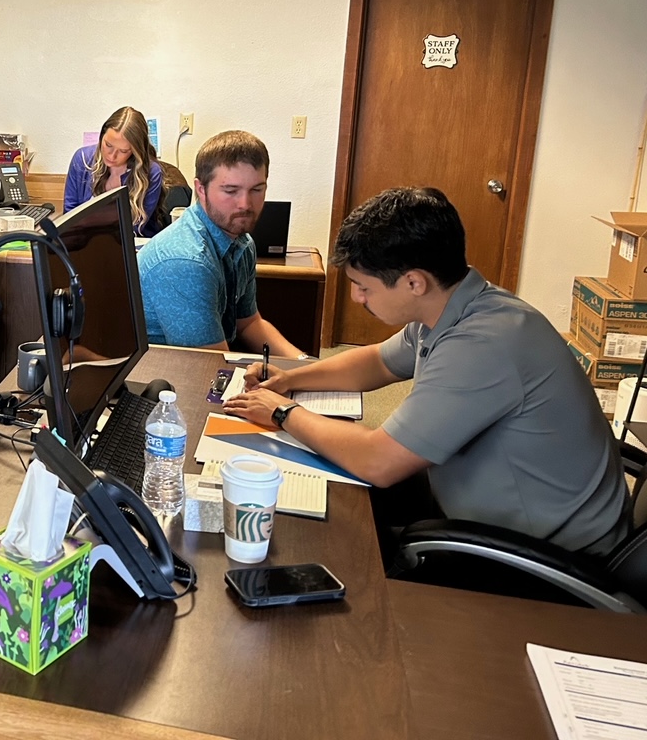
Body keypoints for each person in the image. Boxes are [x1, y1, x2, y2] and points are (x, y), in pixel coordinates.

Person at [226, 187, 629, 558]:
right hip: (481, 505)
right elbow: (377, 362)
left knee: (337, 543)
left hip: (542, 555)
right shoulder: (456, 307)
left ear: (414, 282)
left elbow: (380, 461)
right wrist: (291, 378)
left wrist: (282, 413)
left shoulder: (483, 345)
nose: (356, 298)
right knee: (334, 495)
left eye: (363, 287)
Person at [137, 130, 303, 355]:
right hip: (160, 378)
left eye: (256, 190)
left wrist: (304, 365)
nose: (245, 204)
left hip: (204, 364)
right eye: (230, 191)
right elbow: (212, 365)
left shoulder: (242, 242)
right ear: (200, 189)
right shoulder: (186, 261)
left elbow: (249, 323)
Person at [63, 106, 163, 236]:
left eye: (123, 151)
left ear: (135, 151)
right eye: (108, 145)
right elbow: (70, 215)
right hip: (83, 242)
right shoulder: (82, 159)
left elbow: (135, 227)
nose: (112, 156)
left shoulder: (151, 173)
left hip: (131, 243)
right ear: (101, 137)